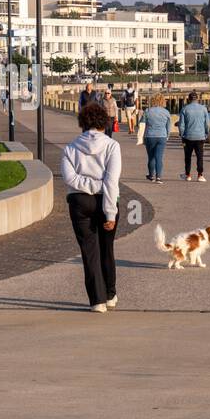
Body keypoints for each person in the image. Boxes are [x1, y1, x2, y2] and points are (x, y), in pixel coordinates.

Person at [61, 103, 122, 312]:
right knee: (107, 248)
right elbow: (111, 181)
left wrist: (87, 186)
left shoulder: (70, 148)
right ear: (103, 123)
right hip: (106, 200)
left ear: (83, 124)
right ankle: (110, 294)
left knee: (89, 251)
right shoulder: (112, 146)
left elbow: (69, 178)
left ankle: (97, 300)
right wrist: (110, 211)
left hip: (79, 202)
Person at [176, 91, 210, 182]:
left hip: (188, 137)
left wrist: (182, 135)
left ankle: (188, 175)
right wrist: (206, 134)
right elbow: (207, 124)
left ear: (189, 99)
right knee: (200, 157)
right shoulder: (203, 109)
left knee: (187, 157)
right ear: (197, 99)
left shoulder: (184, 109)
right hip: (200, 136)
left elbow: (181, 125)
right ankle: (200, 175)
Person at [138, 92, 171, 184]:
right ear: (163, 101)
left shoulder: (148, 111)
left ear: (152, 101)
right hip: (162, 136)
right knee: (159, 157)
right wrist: (167, 136)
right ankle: (159, 177)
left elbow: (141, 124)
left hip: (150, 136)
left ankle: (151, 175)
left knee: (151, 157)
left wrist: (141, 136)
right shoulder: (166, 112)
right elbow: (168, 127)